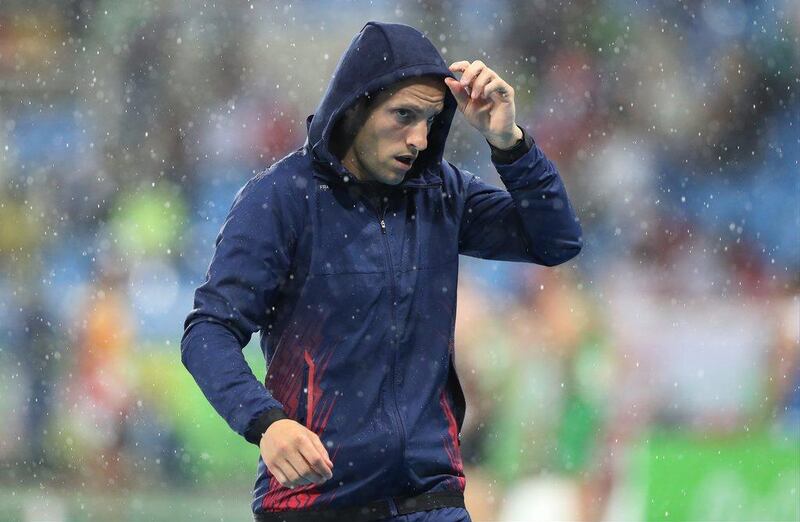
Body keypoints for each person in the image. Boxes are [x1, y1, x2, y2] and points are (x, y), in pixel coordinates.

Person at [181, 21, 582, 522]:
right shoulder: (280, 199)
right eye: (403, 115)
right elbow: (208, 331)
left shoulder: (442, 192)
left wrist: (510, 143)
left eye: (431, 119)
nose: (418, 139)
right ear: (355, 108)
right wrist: (266, 424)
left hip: (432, 501)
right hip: (314, 504)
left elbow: (556, 240)